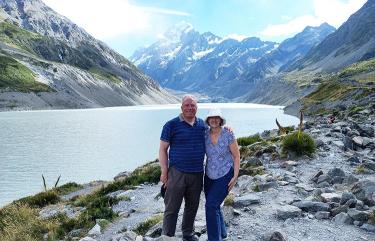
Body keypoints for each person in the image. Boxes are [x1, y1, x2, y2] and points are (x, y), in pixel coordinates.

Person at [159, 94, 205, 241]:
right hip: (177, 172)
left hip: (197, 173)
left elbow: (217, 133)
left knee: (192, 206)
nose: (190, 108)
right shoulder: (171, 125)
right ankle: (167, 236)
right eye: (187, 105)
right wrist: (164, 172)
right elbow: (162, 149)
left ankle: (188, 234)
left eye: (193, 105)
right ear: (181, 107)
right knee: (172, 207)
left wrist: (227, 128)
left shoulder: (203, 125)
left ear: (197, 108)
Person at [204, 108, 240, 241]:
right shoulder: (204, 134)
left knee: (211, 206)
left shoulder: (228, 134)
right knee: (215, 204)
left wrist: (235, 176)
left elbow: (236, 156)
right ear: (207, 120)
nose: (214, 120)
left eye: (217, 117)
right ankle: (223, 233)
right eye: (211, 117)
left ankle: (214, 239)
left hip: (225, 174)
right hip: (208, 176)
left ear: (220, 120)